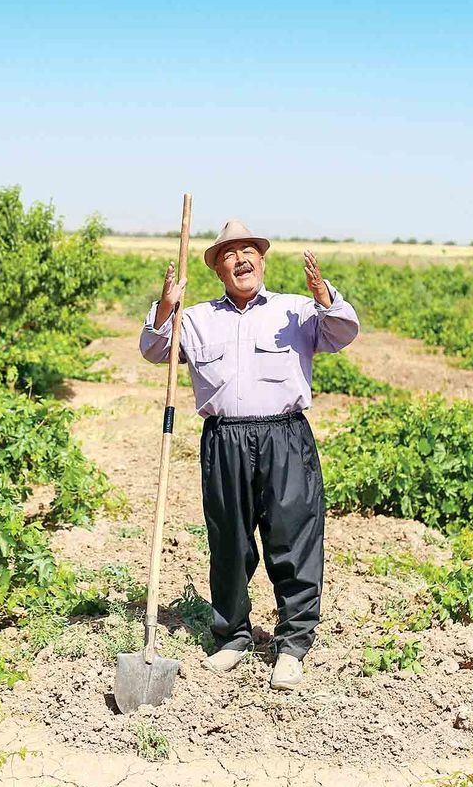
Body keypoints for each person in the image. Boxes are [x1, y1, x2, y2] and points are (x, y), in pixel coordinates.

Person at [138, 219, 360, 689]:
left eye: (249, 252)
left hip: (285, 438)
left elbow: (342, 333)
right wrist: (165, 308)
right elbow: (154, 349)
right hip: (224, 440)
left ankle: (293, 644)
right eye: (229, 254)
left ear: (262, 260)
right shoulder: (195, 318)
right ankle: (232, 636)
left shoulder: (296, 311)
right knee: (229, 542)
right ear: (218, 268)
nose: (241, 260)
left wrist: (324, 295)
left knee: (293, 537)